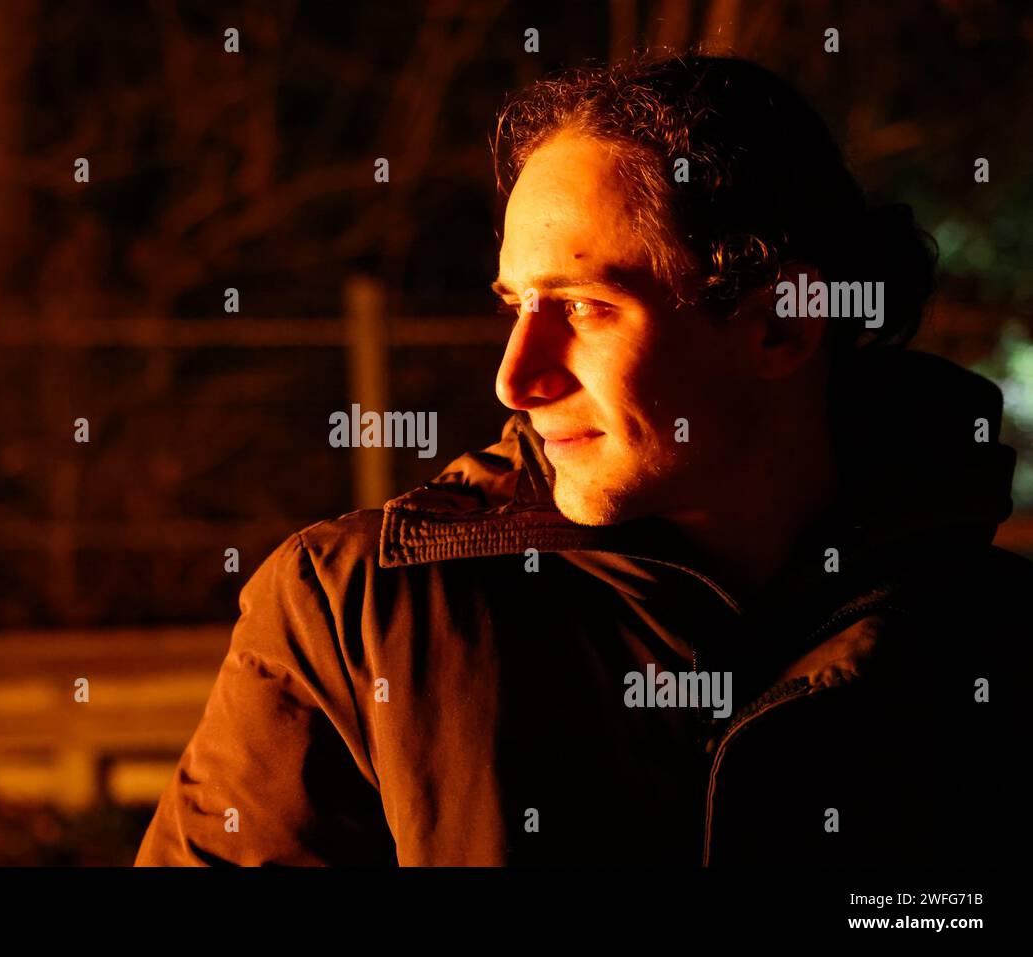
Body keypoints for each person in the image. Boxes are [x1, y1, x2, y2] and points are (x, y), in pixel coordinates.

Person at [136, 54, 1029, 866]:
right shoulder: (351, 617)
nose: (514, 378)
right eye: (516, 304)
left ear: (781, 322)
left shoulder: (991, 644)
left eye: (585, 307)